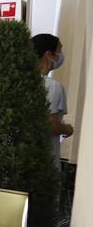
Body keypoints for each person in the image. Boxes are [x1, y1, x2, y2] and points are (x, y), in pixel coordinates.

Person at [32, 33, 73, 165]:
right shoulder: (52, 87)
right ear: (48, 55)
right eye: (59, 51)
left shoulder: (18, 82)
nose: (61, 56)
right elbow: (50, 126)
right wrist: (67, 129)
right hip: (44, 162)